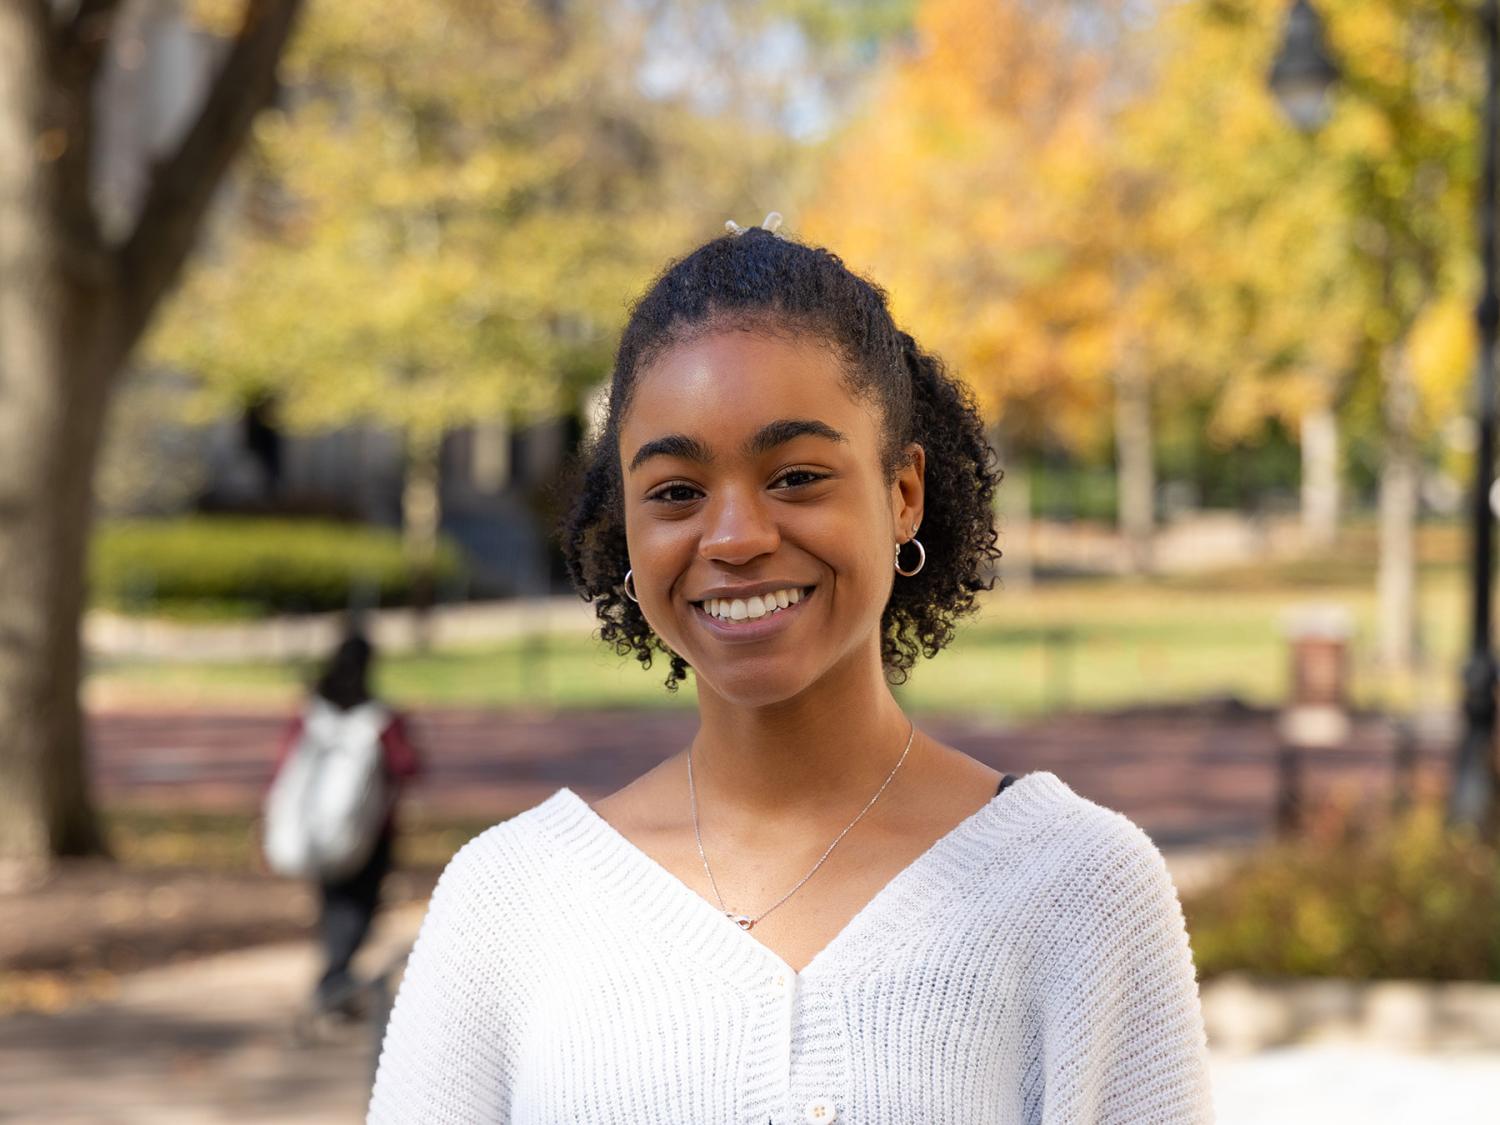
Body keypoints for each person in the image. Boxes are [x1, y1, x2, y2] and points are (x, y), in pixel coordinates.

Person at [368, 215, 1214, 1122]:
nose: (735, 536)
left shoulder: (1079, 888)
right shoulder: (510, 903)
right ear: (626, 527)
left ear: (902, 494)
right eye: (677, 492)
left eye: (797, 476)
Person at [269, 631, 423, 1018]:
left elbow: (286, 763)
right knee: (358, 907)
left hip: (320, 829)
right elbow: (407, 765)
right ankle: (334, 984)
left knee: (334, 903)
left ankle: (334, 980)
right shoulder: (381, 718)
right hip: (372, 832)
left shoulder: (312, 713)